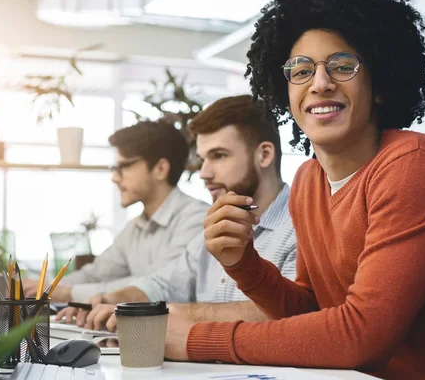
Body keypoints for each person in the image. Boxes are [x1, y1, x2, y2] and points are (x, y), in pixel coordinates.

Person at [162, 0, 425, 379]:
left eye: (341, 66)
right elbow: (314, 311)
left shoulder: (416, 167)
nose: (320, 82)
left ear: (380, 84)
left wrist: (198, 339)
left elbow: (360, 334)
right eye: (301, 70)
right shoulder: (308, 181)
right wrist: (244, 263)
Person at [55, 95, 297, 330]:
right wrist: (112, 300)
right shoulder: (212, 228)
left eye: (219, 156)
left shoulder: (302, 228)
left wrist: (159, 314)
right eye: (203, 159)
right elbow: (162, 284)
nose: (204, 173)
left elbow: (289, 314)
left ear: (264, 155)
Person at [23, 120, 209, 302]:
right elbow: (96, 273)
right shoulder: (136, 227)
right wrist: (48, 288)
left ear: (161, 169)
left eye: (123, 167)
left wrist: (69, 293)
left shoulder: (196, 219)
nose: (114, 178)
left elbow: (156, 285)